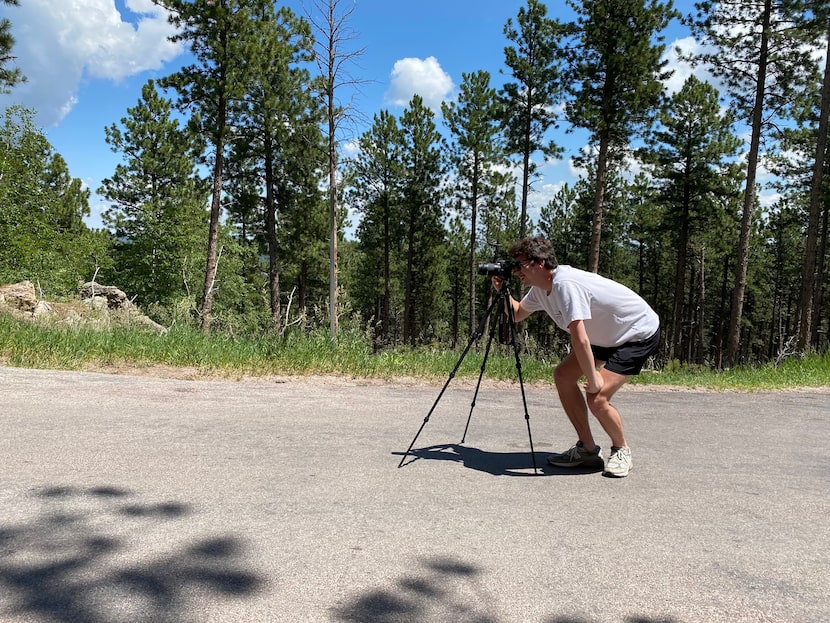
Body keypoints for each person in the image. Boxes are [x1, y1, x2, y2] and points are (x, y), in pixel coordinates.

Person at [491, 237, 660, 478]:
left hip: (636, 333)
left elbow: (580, 338)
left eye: (520, 265)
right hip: (604, 335)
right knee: (562, 376)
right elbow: (517, 314)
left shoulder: (565, 285)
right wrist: (502, 291)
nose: (516, 270)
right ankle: (588, 450)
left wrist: (593, 379)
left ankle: (621, 449)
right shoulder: (540, 289)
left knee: (597, 398)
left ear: (539, 263)